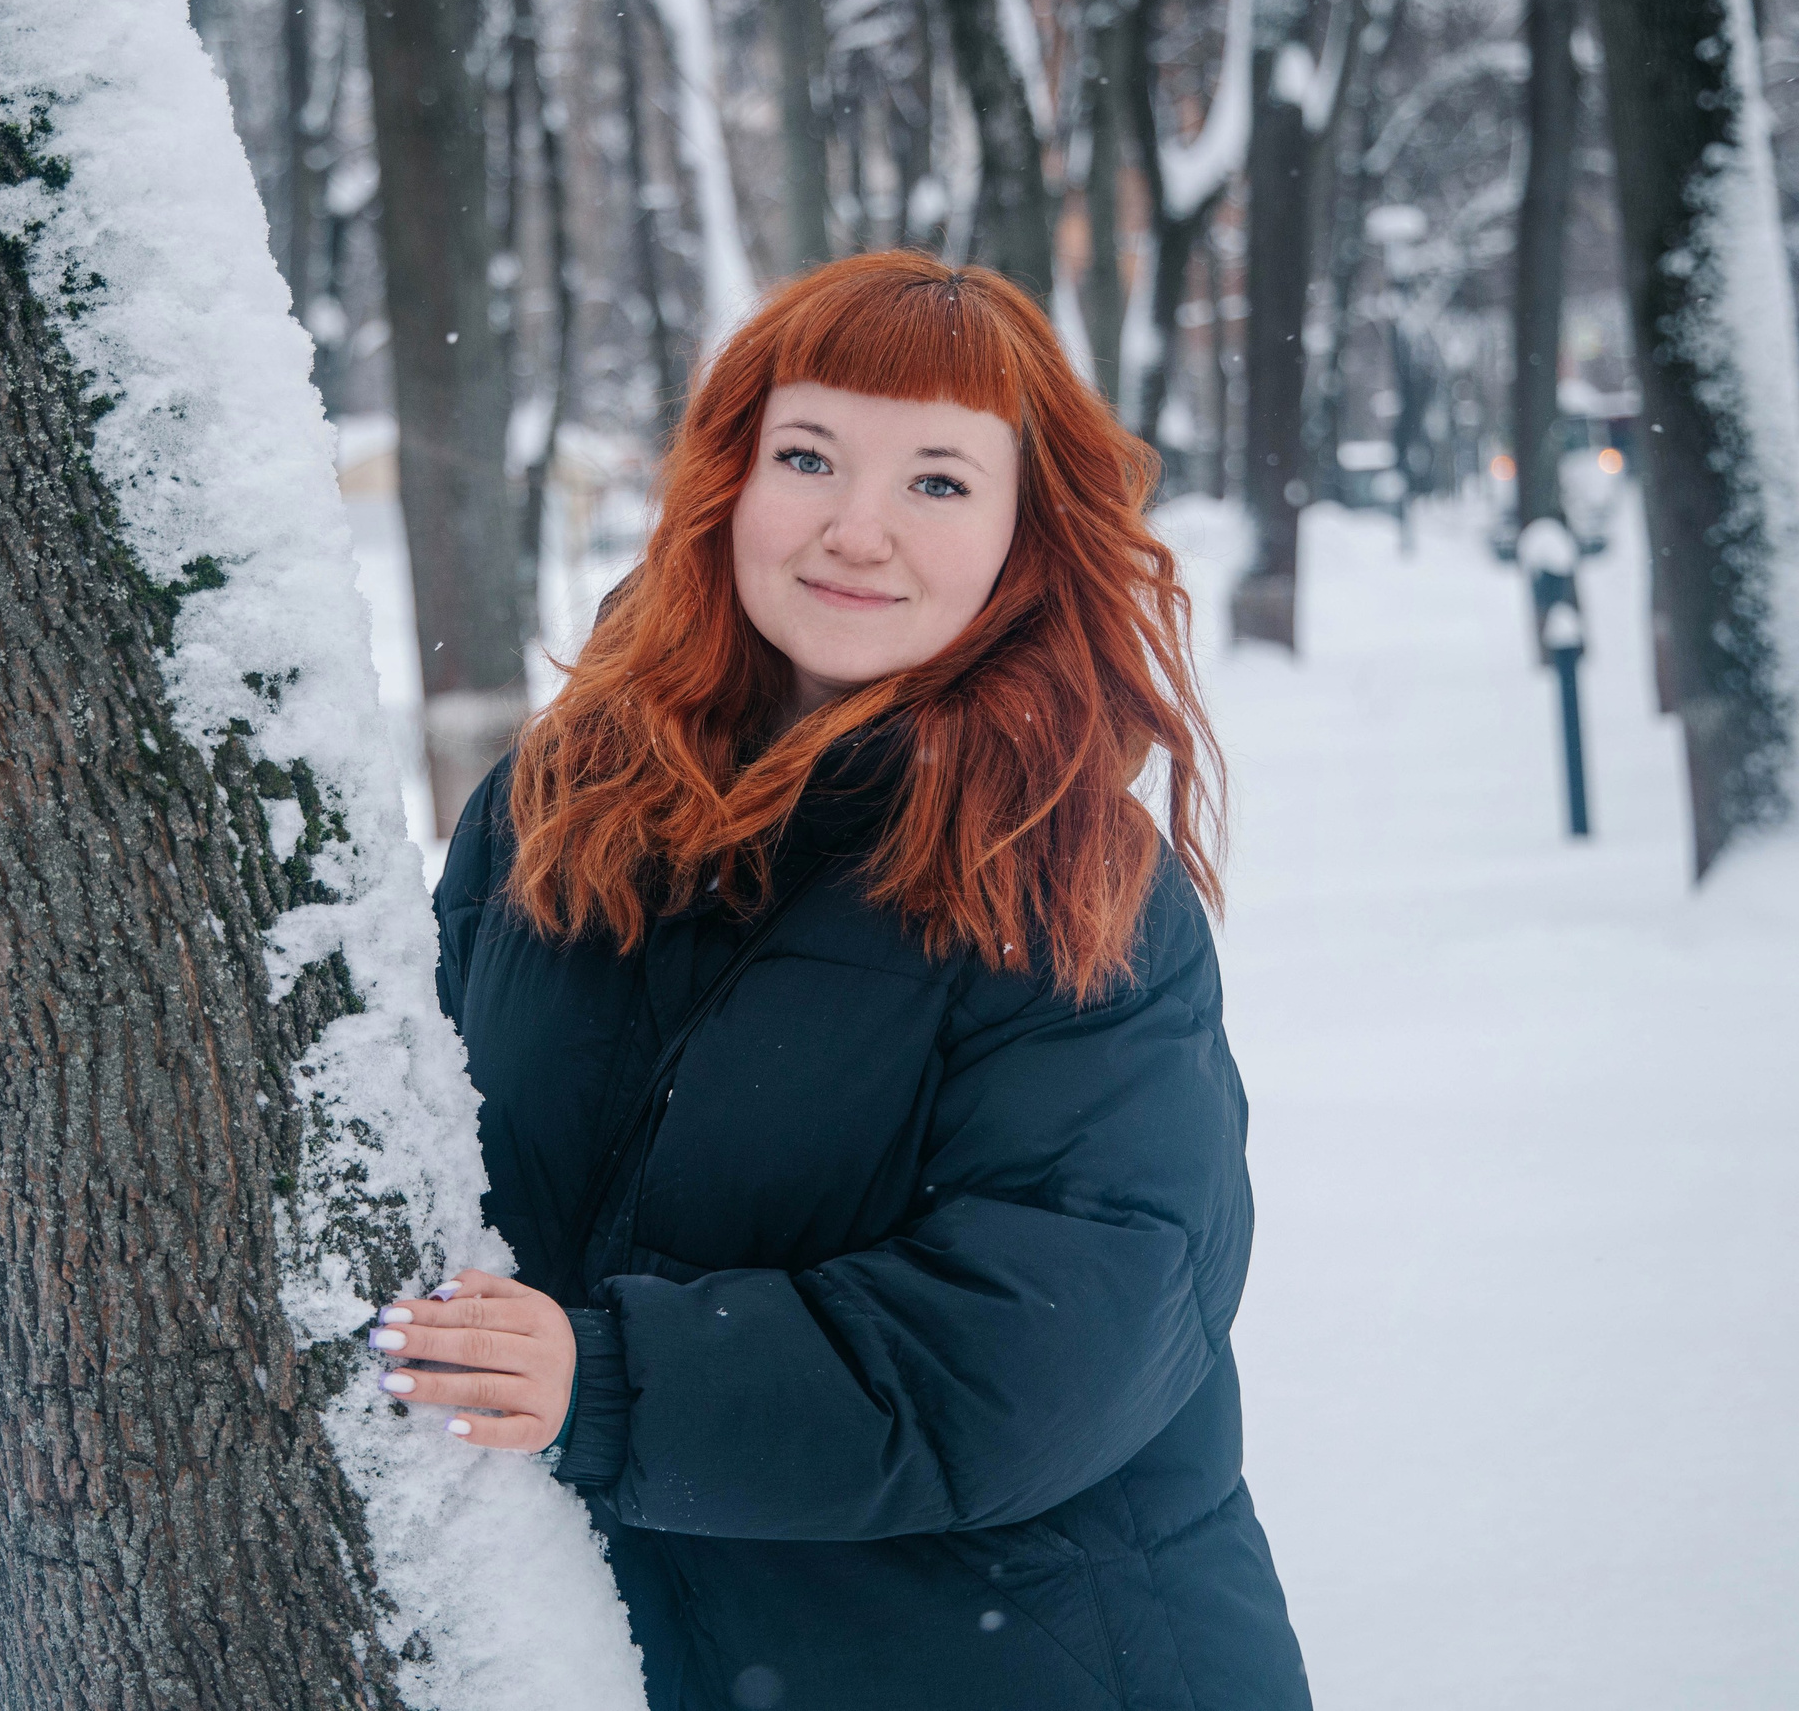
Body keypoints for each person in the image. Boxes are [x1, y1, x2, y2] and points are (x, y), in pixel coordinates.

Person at [369, 254, 1311, 1711]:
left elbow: (1057, 1336)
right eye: (808, 457)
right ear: (731, 479)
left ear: (1022, 531)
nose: (857, 529)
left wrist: (616, 1381)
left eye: (938, 480)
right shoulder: (556, 806)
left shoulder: (1067, 877)